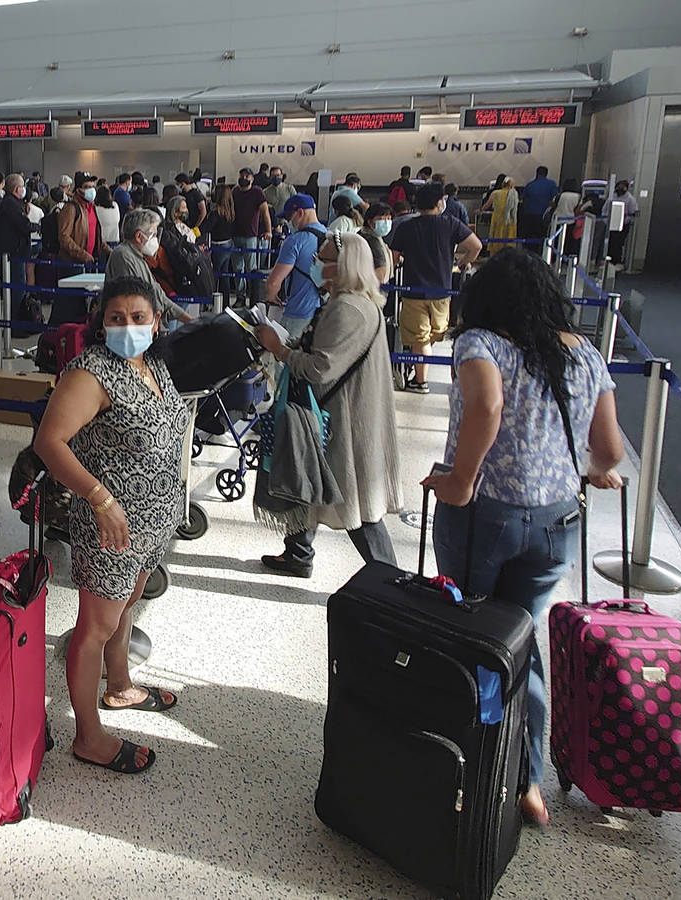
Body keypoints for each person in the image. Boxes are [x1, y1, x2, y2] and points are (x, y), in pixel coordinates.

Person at [422, 247, 625, 827]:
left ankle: (469, 769)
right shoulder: (585, 353)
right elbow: (609, 450)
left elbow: (486, 405)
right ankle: (528, 778)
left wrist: (459, 481)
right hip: (557, 521)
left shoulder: (480, 343)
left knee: (470, 638)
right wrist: (574, 468)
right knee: (521, 641)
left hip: (486, 516)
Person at [33, 276, 187, 775]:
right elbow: (49, 442)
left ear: (155, 320)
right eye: (116, 318)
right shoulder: (93, 372)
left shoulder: (154, 366)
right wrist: (100, 499)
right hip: (111, 527)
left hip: (151, 522)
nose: (127, 327)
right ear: (101, 322)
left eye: (138, 317)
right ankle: (88, 735)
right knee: (96, 626)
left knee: (126, 609)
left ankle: (119, 687)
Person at [254, 231, 401, 576]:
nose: (314, 264)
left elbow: (321, 368)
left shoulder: (348, 309)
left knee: (353, 501)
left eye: (322, 259)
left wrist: (281, 350)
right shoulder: (350, 302)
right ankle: (298, 553)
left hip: (344, 420)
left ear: (343, 265)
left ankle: (388, 576)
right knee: (309, 478)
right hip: (336, 411)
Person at [389, 182, 483, 394]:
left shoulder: (407, 226)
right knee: (432, 335)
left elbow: (394, 258)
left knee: (419, 338)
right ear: (440, 202)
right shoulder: (451, 223)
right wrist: (463, 262)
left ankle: (421, 382)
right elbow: (476, 246)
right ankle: (420, 370)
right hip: (443, 291)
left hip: (414, 292)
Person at [104, 210, 192, 325]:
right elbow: (135, 299)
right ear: (139, 236)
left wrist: (189, 320)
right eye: (153, 234)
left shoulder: (138, 257)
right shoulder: (123, 256)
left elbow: (158, 294)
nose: (156, 239)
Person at [263, 194, 326, 339]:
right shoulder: (330, 235)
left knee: (289, 357)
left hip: (298, 312)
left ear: (300, 213)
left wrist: (271, 297)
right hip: (323, 312)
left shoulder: (295, 241)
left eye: (289, 217)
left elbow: (273, 282)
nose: (288, 222)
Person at [231, 167, 271, 297]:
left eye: (247, 176)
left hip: (250, 235)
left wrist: (268, 230)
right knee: (237, 269)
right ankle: (240, 296)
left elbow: (265, 213)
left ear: (252, 179)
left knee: (251, 268)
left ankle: (253, 296)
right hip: (235, 235)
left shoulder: (257, 192)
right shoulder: (234, 192)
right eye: (242, 175)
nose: (244, 178)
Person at [58, 174, 110, 266]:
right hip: (73, 263)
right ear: (78, 190)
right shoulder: (71, 208)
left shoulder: (92, 208)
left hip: (89, 261)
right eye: (87, 187)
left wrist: (109, 250)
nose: (91, 190)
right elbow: (64, 237)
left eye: (92, 187)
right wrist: (82, 254)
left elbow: (95, 235)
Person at [201, 182, 236, 295]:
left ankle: (212, 300)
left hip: (218, 246)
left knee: (214, 275)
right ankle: (225, 303)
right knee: (224, 275)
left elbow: (206, 227)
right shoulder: (230, 211)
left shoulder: (215, 213)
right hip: (229, 244)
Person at [602, 180, 638, 269]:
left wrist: (624, 222)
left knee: (618, 243)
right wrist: (606, 221)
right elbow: (604, 210)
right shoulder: (612, 197)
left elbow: (633, 213)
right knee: (610, 242)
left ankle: (617, 262)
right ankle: (608, 261)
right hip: (610, 224)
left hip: (623, 225)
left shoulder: (630, 199)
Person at [480, 176, 518, 253]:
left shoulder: (495, 193)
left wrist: (480, 210)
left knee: (497, 237)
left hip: (498, 219)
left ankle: (495, 254)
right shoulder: (514, 194)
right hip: (510, 221)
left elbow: (487, 205)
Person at [521, 166, 559, 240]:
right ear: (546, 174)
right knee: (542, 238)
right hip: (544, 216)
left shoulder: (529, 185)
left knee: (530, 237)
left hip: (530, 214)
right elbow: (555, 199)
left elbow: (524, 200)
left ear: (537, 173)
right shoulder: (552, 184)